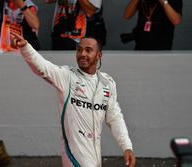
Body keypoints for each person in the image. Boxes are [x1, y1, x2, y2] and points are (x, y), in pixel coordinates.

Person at [11, 32, 136, 167]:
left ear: (99, 55)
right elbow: (43, 67)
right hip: (74, 158)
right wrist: (25, 47)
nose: (82, 54)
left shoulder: (107, 83)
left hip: (95, 159)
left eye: (88, 50)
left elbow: (114, 117)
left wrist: (126, 146)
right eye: (79, 50)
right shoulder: (67, 76)